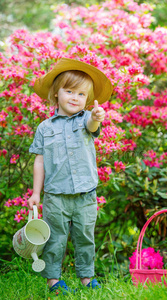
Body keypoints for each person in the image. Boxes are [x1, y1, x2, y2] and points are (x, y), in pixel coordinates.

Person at [27, 58, 113, 295]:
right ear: (56, 94)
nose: (75, 97)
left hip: (85, 194)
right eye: (69, 91)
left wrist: (96, 115)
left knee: (85, 237)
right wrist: (36, 193)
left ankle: (87, 278)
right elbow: (40, 160)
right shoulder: (45, 128)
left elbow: (94, 125)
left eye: (81, 94)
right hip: (56, 197)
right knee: (55, 239)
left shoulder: (85, 120)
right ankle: (53, 281)